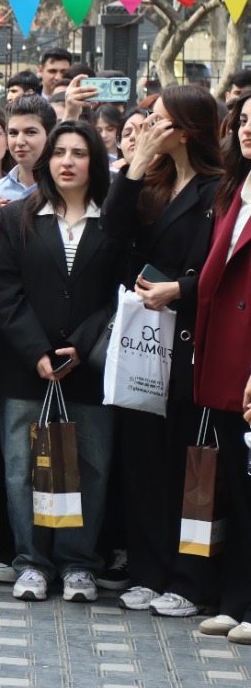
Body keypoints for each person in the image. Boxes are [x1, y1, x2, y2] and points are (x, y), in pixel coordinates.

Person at [0, 120, 121, 603]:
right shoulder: (19, 216)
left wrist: (81, 345)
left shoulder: (115, 219)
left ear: (95, 162)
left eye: (79, 153)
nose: (67, 161)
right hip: (25, 367)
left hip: (90, 367)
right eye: (60, 152)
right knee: (23, 466)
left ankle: (80, 563)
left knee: (91, 465)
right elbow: (3, 291)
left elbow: (119, 294)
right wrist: (37, 350)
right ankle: (31, 561)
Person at [102, 85, 223, 618]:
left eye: (159, 119)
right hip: (142, 340)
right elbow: (111, 232)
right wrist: (136, 166)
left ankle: (189, 577)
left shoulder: (219, 191)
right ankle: (148, 569)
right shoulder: (151, 183)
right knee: (143, 459)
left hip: (194, 341)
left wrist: (184, 289)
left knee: (190, 462)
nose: (148, 125)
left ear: (187, 129)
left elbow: (222, 268)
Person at [191, 93, 251, 643]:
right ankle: (236, 599)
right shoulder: (235, 189)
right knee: (237, 483)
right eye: (246, 120)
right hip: (224, 357)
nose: (250, 130)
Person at [0, 94, 56, 202]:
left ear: (50, 136)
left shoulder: (65, 189)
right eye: (13, 133)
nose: (20, 142)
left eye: (30, 132)